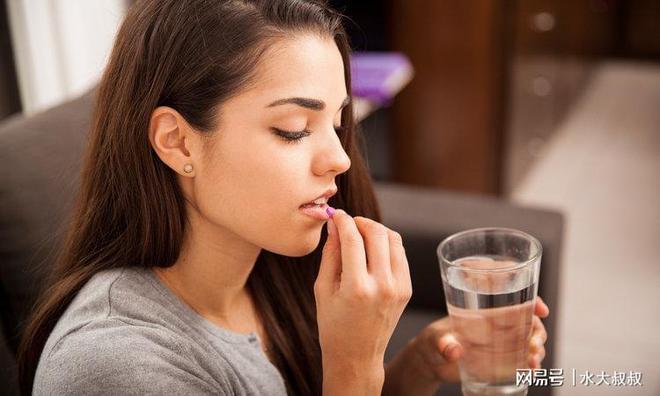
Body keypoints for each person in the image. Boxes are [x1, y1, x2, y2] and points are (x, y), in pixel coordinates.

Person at [17, 0, 550, 395]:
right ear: (178, 141)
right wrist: (354, 367)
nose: (340, 159)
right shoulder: (116, 368)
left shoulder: (272, 268)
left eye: (339, 124)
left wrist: (418, 367)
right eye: (294, 129)